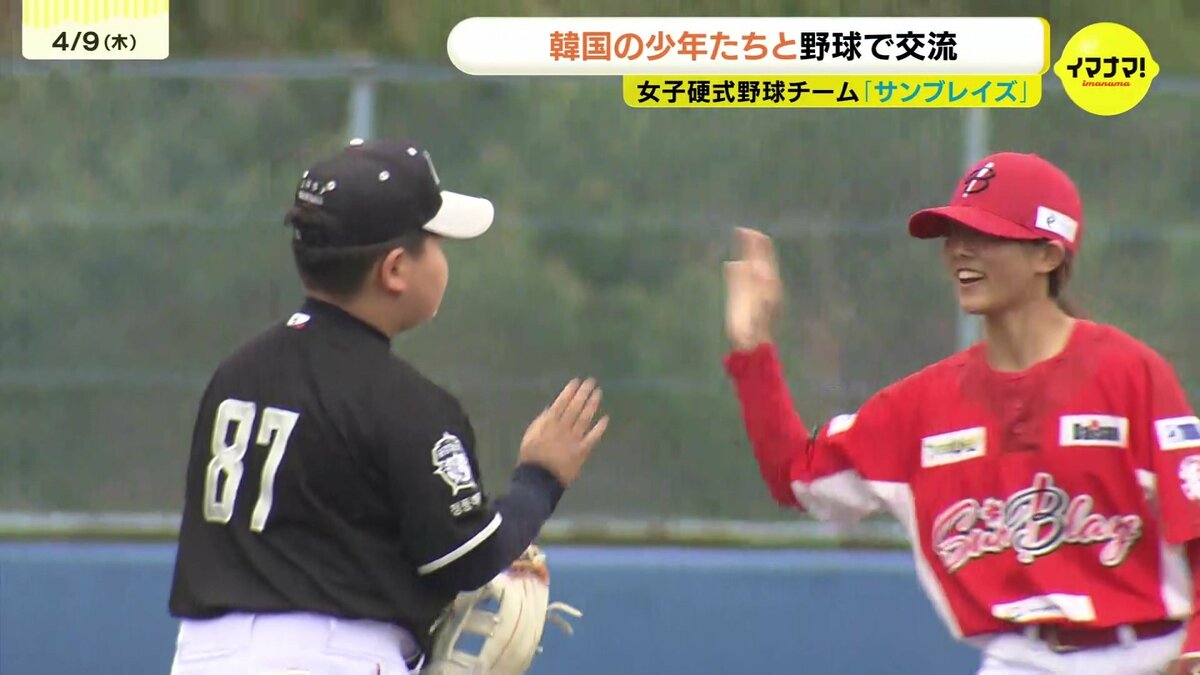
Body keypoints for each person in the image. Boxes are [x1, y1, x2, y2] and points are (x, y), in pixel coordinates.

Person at [721, 151, 1200, 675]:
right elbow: (794, 475)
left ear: (1047, 254)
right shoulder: (919, 408)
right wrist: (752, 347)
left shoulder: (1131, 376)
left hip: (1154, 653)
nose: (960, 251)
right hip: (1019, 661)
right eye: (952, 235)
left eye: (986, 235)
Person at [167, 138, 609, 674]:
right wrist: (539, 480)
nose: (443, 258)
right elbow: (468, 558)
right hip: (331, 656)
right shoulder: (404, 403)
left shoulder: (235, 374)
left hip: (204, 655)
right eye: (436, 243)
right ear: (396, 269)